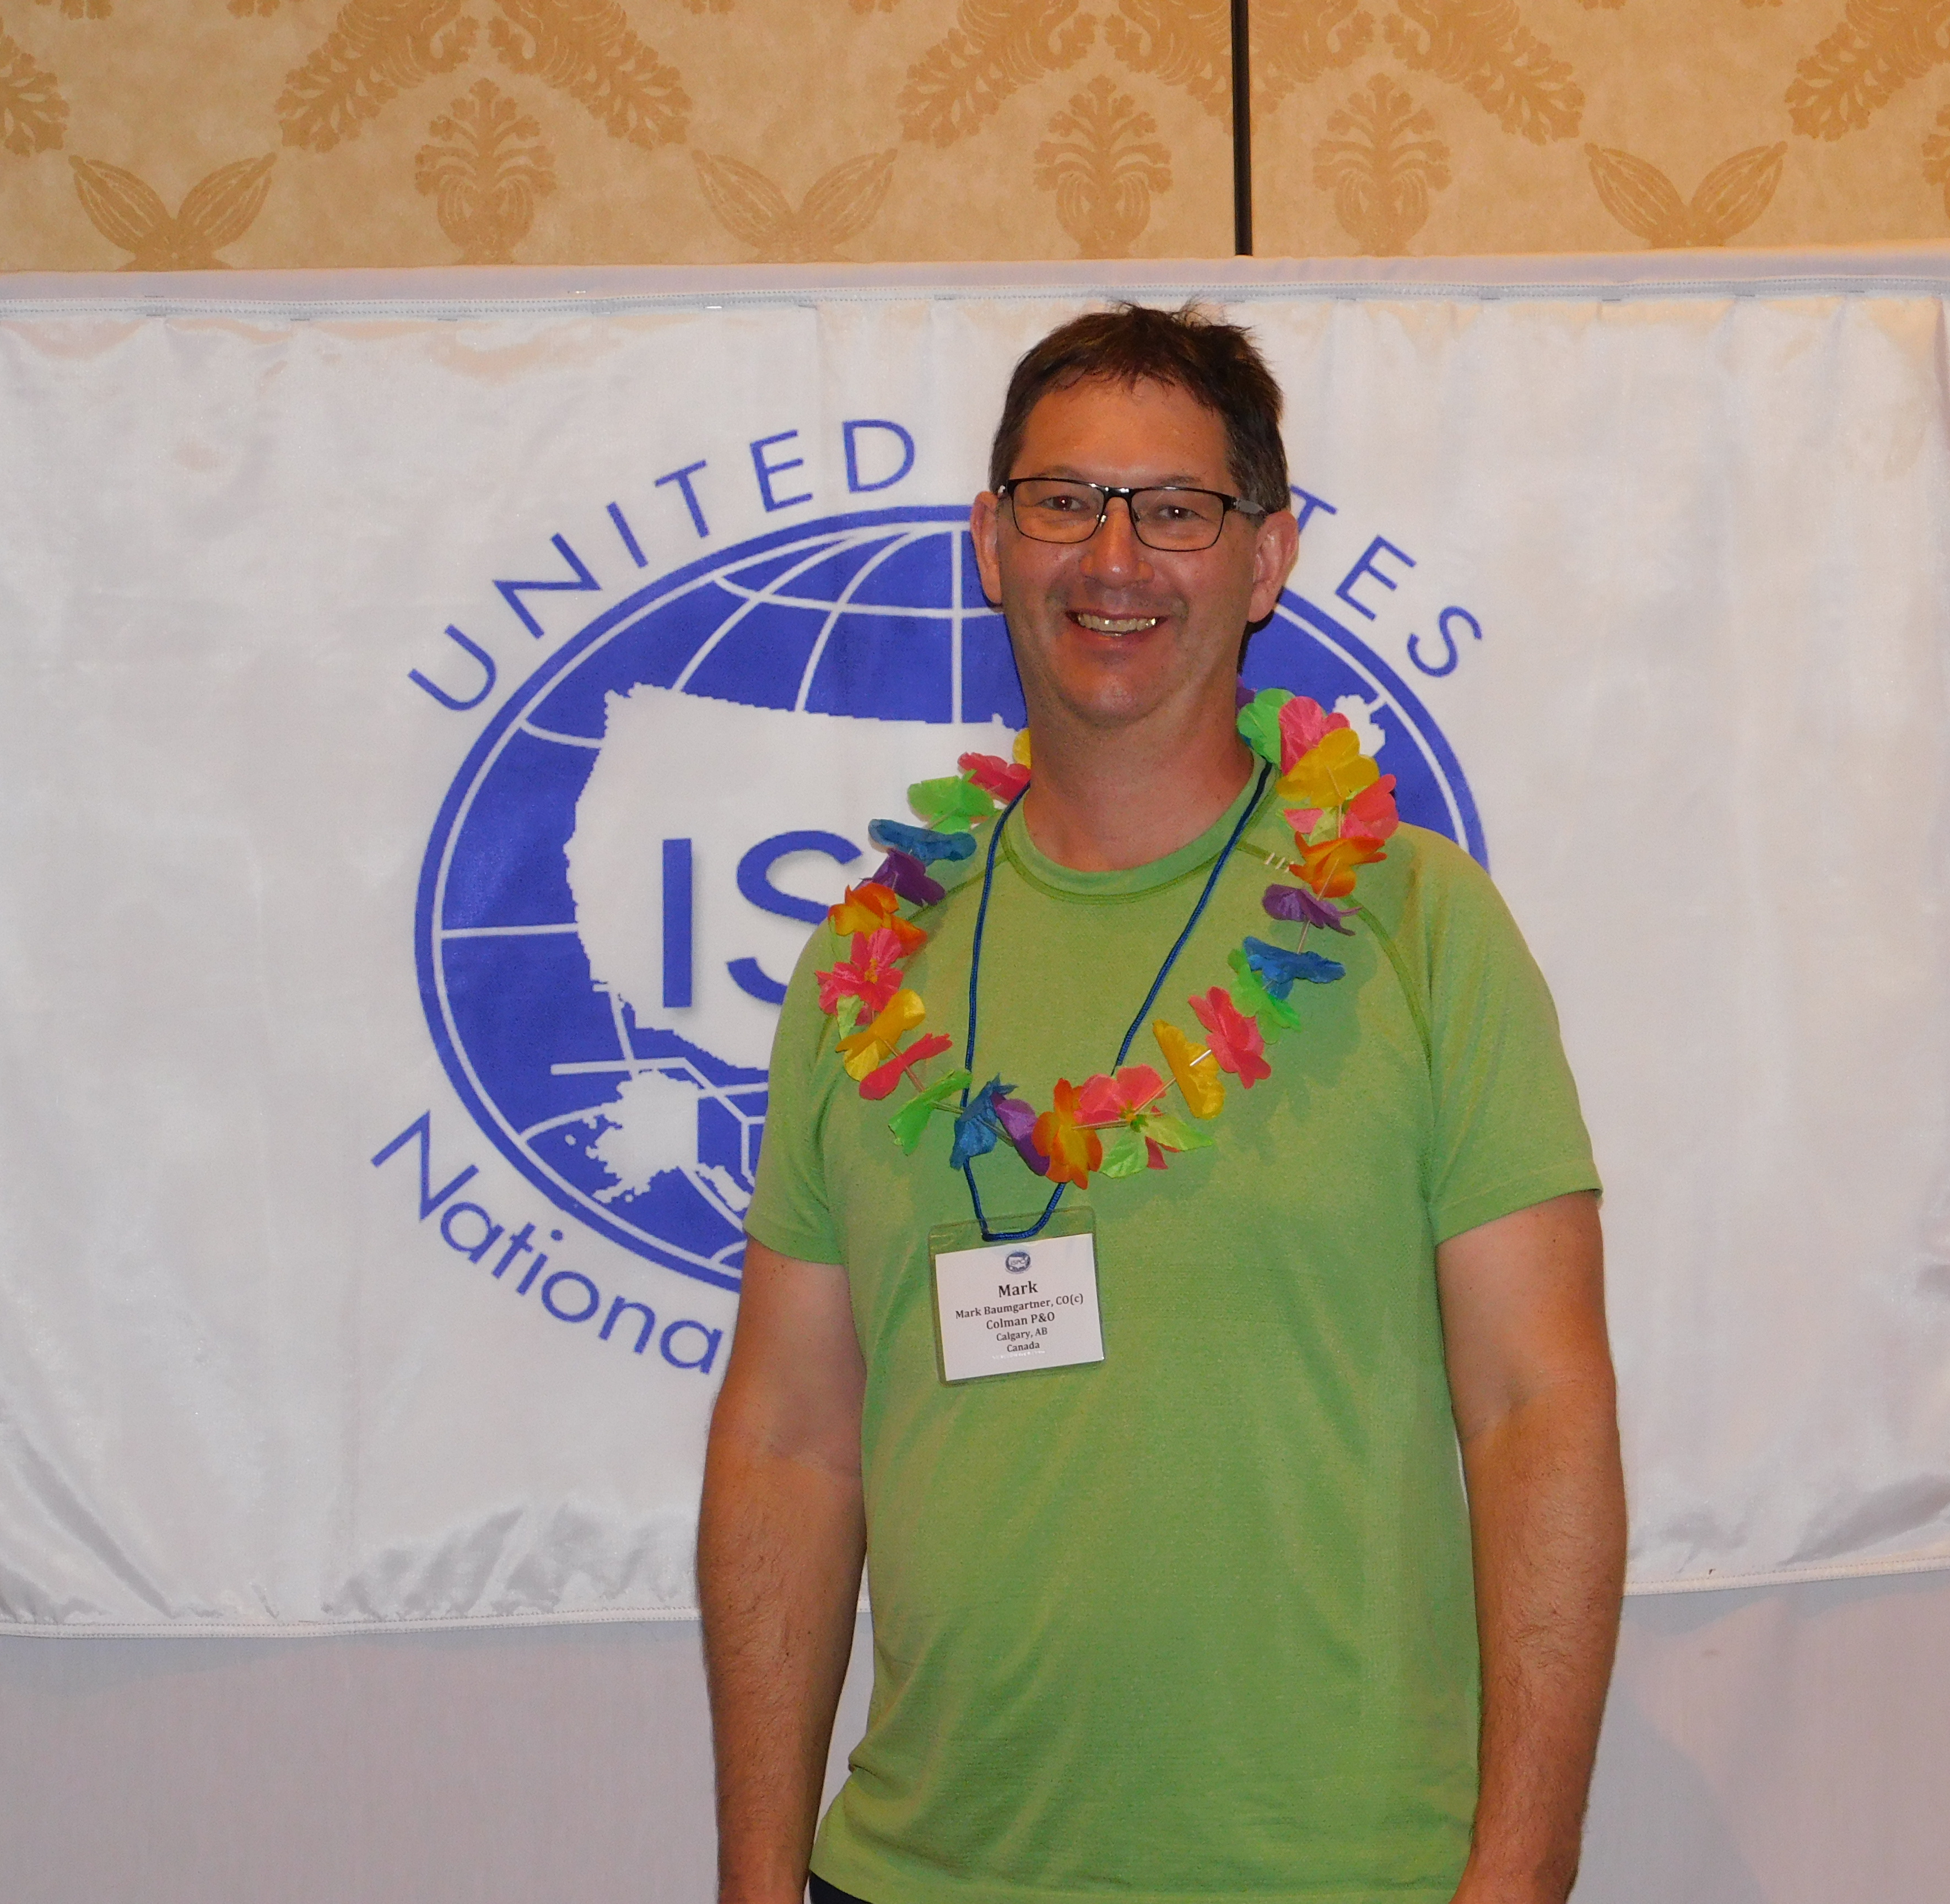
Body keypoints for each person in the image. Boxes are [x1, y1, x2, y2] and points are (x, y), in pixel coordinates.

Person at [699, 302, 1624, 1904]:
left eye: (1177, 509)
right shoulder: (862, 962)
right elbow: (789, 1444)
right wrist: (756, 1880)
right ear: (991, 542)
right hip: (915, 1873)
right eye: (1064, 500)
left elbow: (1537, 1410)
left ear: (1266, 558)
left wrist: (1524, 1873)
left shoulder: (1420, 924)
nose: (1114, 557)